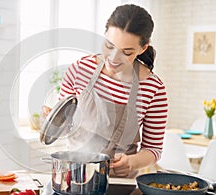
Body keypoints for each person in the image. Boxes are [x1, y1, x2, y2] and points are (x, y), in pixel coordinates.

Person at [43, 4, 168, 178]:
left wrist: (131, 162)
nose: (113, 58)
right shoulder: (80, 69)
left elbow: (153, 150)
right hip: (76, 177)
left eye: (126, 52)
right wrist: (54, 122)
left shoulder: (154, 88)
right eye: (109, 46)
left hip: (121, 183)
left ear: (143, 48)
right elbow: (67, 127)